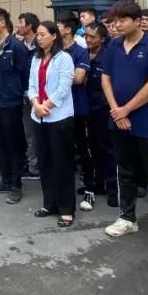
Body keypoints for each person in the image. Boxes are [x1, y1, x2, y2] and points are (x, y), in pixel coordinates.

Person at [100, 1, 148, 257]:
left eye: (122, 20)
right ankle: (127, 217)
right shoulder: (113, 45)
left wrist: (126, 109)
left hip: (147, 121)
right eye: (115, 20)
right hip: (118, 119)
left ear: (137, 21)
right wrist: (116, 110)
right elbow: (105, 78)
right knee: (125, 171)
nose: (117, 24)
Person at [28, 21, 77, 227]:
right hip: (38, 116)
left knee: (61, 163)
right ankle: (49, 203)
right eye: (37, 35)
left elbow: (64, 87)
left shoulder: (64, 58)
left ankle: (66, 209)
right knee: (45, 163)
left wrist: (46, 105)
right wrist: (35, 104)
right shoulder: (36, 58)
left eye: (42, 34)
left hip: (59, 117)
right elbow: (31, 85)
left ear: (54, 36)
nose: (38, 38)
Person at [0, 8, 31, 204]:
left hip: (11, 103)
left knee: (14, 145)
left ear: (2, 23)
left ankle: (16, 185)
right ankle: (5, 180)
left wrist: (20, 94)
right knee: (0, 144)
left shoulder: (16, 46)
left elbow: (25, 74)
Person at [57, 15, 93, 210]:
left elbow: (79, 78)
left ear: (68, 30)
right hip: (58, 108)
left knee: (83, 148)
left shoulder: (80, 51)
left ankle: (90, 188)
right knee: (63, 149)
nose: (56, 29)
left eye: (59, 25)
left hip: (77, 107)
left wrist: (56, 80)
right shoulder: (55, 50)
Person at [83, 22, 117, 204]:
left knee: (108, 150)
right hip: (87, 109)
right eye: (86, 36)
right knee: (94, 149)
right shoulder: (83, 55)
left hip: (103, 109)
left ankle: (114, 189)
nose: (88, 40)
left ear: (102, 39)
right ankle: (98, 183)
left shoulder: (108, 57)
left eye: (92, 37)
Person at [16, 11, 41, 179]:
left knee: (39, 132)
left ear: (29, 26)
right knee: (28, 132)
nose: (18, 26)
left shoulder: (41, 45)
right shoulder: (19, 45)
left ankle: (37, 166)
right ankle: (33, 164)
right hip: (23, 94)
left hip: (40, 96)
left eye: (21, 23)